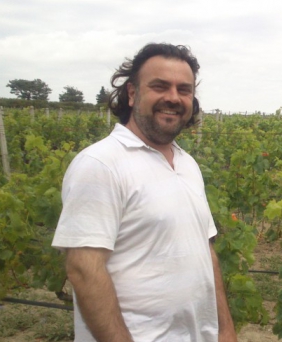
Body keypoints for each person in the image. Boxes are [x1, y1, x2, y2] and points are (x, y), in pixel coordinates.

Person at [52, 43, 237, 342]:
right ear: (133, 93)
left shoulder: (187, 164)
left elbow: (206, 254)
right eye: (160, 86)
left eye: (184, 89)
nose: (173, 98)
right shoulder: (101, 164)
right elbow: (84, 270)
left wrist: (225, 331)